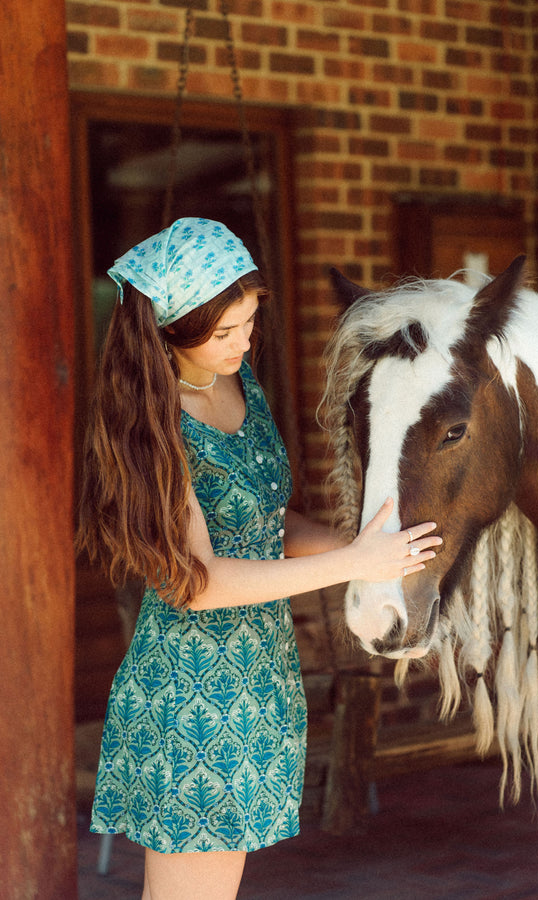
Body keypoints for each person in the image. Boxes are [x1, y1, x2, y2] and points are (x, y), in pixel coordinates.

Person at [76, 217, 442, 900]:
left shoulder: (243, 384)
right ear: (168, 330)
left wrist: (379, 549)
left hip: (259, 685)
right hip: (192, 697)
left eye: (248, 323)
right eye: (223, 332)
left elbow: (273, 524)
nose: (244, 342)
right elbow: (198, 583)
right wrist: (356, 561)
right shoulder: (153, 425)